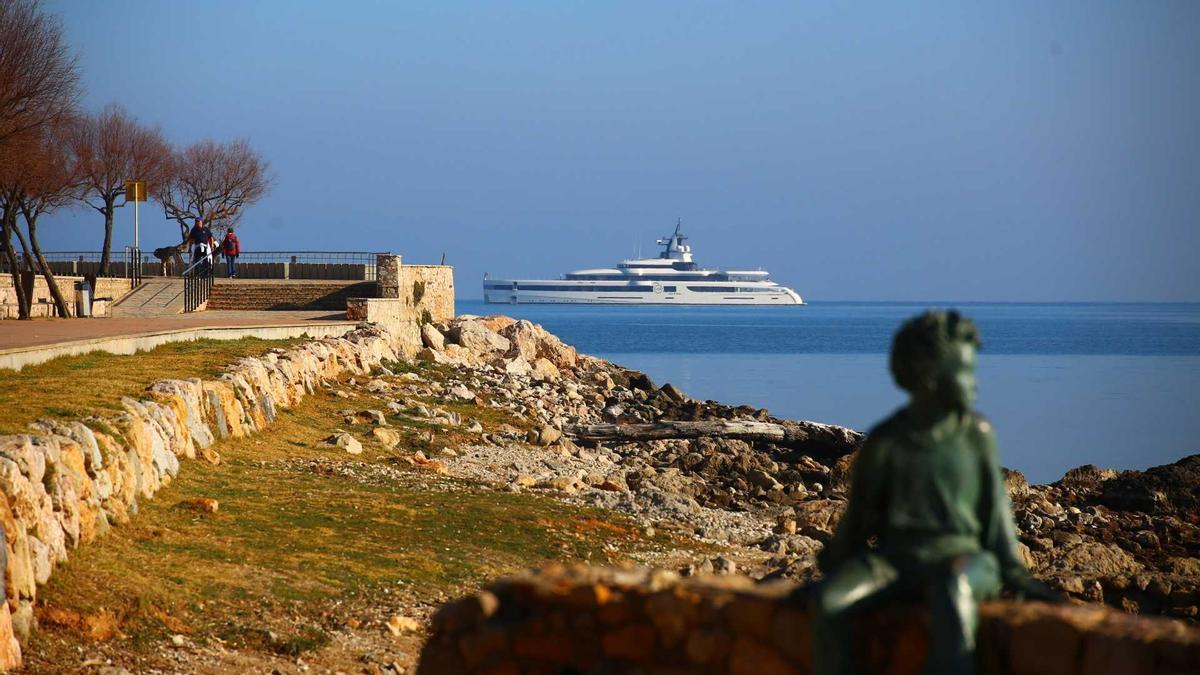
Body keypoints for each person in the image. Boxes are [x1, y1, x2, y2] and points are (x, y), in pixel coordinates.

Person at [809, 310, 1058, 675]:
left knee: (953, 589)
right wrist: (834, 567)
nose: (975, 384)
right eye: (965, 372)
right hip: (897, 561)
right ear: (928, 376)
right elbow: (859, 518)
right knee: (829, 602)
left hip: (963, 558)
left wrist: (1015, 573)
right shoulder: (886, 441)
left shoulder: (976, 435)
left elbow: (996, 512)